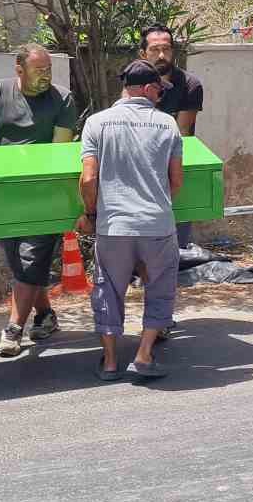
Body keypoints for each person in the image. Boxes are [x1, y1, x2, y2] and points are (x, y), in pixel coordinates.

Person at [0, 43, 78, 357]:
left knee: (31, 261)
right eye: (39, 70)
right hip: (4, 194)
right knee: (19, 262)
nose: (46, 76)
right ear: (19, 69)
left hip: (44, 195)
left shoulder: (62, 99)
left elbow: (59, 151)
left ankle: (13, 329)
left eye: (49, 70)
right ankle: (45, 315)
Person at [78, 60, 185, 381]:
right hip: (157, 226)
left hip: (114, 227)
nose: (160, 97)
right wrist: (157, 205)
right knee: (160, 288)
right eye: (159, 92)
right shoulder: (168, 125)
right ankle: (143, 354)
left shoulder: (96, 123)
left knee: (108, 290)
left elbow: (88, 179)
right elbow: (176, 181)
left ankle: (110, 362)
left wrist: (91, 215)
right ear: (148, 89)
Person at [138, 24, 203, 249]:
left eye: (166, 49)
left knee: (177, 241)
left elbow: (180, 133)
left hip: (175, 164)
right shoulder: (134, 82)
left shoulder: (190, 85)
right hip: (139, 169)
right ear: (143, 53)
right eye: (155, 50)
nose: (161, 55)